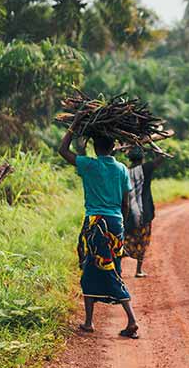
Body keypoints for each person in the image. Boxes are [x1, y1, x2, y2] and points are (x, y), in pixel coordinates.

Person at [59, 117, 140, 338]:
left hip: (95, 223)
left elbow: (62, 150)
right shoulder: (122, 169)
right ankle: (90, 322)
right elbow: (125, 202)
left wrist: (73, 128)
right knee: (110, 267)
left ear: (95, 147)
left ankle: (127, 320)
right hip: (115, 223)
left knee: (92, 270)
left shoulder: (88, 164)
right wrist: (121, 224)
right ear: (114, 147)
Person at [122, 147, 157, 278]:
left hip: (127, 212)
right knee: (142, 239)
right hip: (144, 212)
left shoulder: (124, 170)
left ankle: (118, 269)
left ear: (129, 158)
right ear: (142, 158)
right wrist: (152, 145)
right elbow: (162, 157)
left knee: (125, 238)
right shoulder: (146, 168)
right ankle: (138, 270)